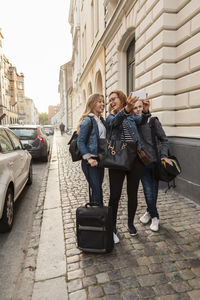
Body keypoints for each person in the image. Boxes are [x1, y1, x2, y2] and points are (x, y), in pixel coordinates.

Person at [106, 90, 150, 243]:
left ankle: (130, 224)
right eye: (109, 100)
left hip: (135, 159)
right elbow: (113, 123)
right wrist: (125, 110)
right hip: (117, 159)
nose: (111, 102)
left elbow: (142, 121)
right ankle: (112, 227)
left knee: (133, 194)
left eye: (114, 99)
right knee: (115, 195)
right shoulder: (111, 116)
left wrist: (145, 110)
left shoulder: (131, 115)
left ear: (122, 98)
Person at [133, 98, 172, 232]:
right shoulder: (133, 124)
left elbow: (164, 140)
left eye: (139, 107)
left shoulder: (153, 121)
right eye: (135, 108)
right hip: (142, 163)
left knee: (153, 191)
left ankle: (153, 215)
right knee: (148, 191)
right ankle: (152, 214)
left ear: (143, 107)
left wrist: (164, 156)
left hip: (155, 163)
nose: (137, 110)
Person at [77, 93, 106, 205]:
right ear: (92, 103)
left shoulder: (101, 120)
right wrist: (89, 159)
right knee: (97, 190)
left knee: (97, 188)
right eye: (99, 101)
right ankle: (100, 217)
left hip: (100, 160)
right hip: (90, 162)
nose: (102, 104)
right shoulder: (88, 120)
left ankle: (97, 216)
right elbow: (80, 142)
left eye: (103, 101)